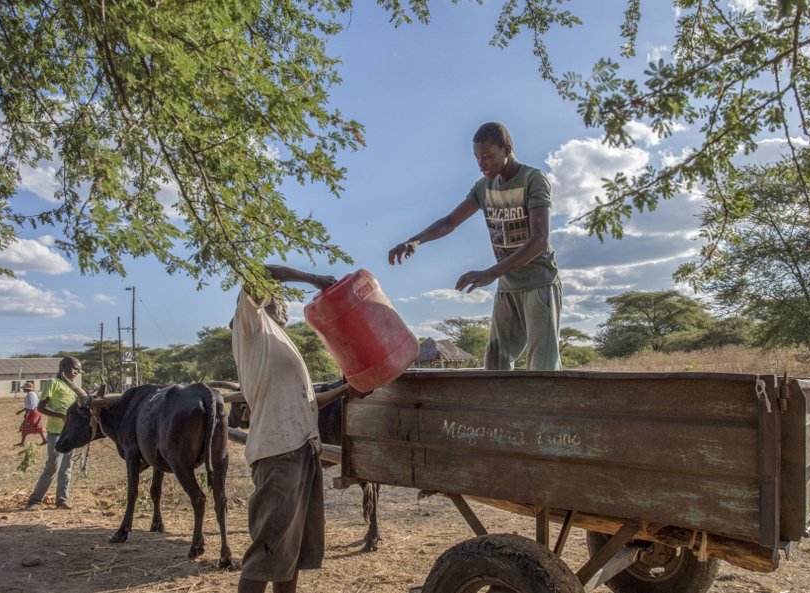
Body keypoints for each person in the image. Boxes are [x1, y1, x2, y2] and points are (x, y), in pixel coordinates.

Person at [388, 121, 562, 370]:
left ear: (507, 149)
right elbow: (450, 221)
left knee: (542, 364)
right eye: (477, 158)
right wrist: (415, 240)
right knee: (496, 360)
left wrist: (490, 272)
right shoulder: (484, 187)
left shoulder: (533, 180)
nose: (482, 164)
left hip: (539, 282)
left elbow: (539, 240)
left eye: (487, 156)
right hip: (508, 285)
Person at [232, 264, 352, 593]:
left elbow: (308, 400)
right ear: (260, 300)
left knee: (292, 552)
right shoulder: (252, 327)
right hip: (277, 452)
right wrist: (314, 279)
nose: (283, 303)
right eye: (278, 298)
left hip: (302, 450)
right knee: (268, 550)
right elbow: (261, 271)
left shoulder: (282, 341)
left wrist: (344, 391)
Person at [26, 357, 84, 511]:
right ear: (63, 366)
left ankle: (62, 500)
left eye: (78, 371)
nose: (76, 373)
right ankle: (35, 500)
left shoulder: (72, 387)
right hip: (55, 433)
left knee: (67, 467)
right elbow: (41, 408)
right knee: (53, 466)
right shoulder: (53, 383)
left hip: (69, 434)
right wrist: (61, 416)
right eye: (74, 369)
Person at [15, 381, 47, 447]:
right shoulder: (32, 394)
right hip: (33, 411)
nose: (23, 389)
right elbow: (29, 405)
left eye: (24, 388)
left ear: (27, 389)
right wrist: (21, 411)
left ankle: (22, 442)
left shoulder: (30, 395)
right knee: (34, 427)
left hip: (32, 412)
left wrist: (27, 413)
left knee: (30, 427)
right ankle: (43, 440)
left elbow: (32, 405)